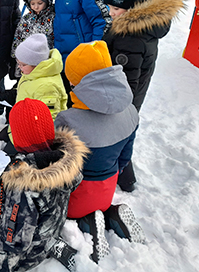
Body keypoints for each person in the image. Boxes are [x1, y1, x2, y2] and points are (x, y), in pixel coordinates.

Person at [0, 98, 89, 272]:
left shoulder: (23, 184)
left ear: (18, 139)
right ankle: (50, 245)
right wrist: (2, 199)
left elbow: (13, 244)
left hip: (26, 255)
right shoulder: (63, 162)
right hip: (47, 232)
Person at [54, 41, 145, 263]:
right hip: (108, 187)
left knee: (65, 206)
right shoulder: (131, 110)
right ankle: (110, 213)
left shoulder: (68, 119)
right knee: (100, 201)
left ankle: (88, 223)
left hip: (78, 196)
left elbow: (59, 167)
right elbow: (125, 158)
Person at [103, 0, 185, 192]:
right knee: (127, 132)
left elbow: (125, 82)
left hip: (124, 100)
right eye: (110, 8)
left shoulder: (132, 37)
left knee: (118, 137)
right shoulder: (138, 27)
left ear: (132, 8)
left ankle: (118, 175)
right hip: (133, 100)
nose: (111, 14)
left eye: (116, 9)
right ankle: (124, 175)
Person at [47, 0, 112, 105]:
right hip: (65, 57)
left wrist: (92, 54)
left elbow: (102, 21)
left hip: (81, 61)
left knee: (78, 104)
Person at [11, 0, 55, 76]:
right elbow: (18, 38)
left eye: (40, 3)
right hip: (26, 63)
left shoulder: (53, 18)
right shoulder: (26, 19)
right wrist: (14, 57)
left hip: (45, 61)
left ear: (47, 1)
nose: (36, 7)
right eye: (32, 3)